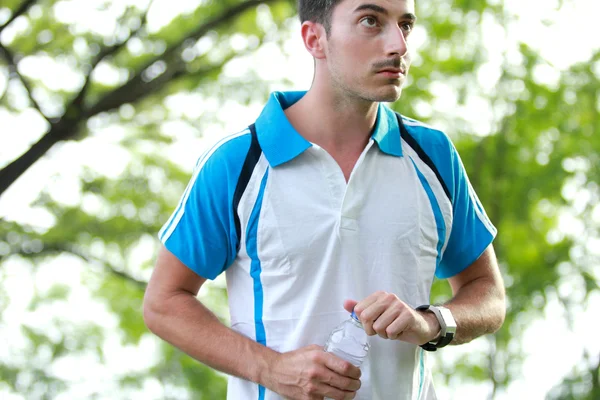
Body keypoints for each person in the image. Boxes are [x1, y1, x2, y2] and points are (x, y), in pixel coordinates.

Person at [143, 0, 506, 398]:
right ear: (314, 38)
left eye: (405, 25)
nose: (399, 45)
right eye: (371, 21)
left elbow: (487, 293)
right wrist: (272, 369)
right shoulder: (236, 163)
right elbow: (164, 302)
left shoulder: (433, 156)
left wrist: (431, 323)